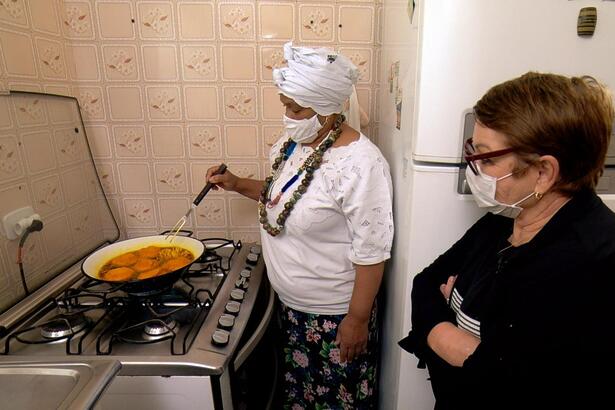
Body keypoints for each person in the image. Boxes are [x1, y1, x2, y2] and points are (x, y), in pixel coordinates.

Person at [399, 72, 615, 409]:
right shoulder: (507, 219)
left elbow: (507, 382)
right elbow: (424, 283)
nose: (474, 168)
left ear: (543, 173)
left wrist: (443, 325)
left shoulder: (590, 260)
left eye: (488, 159)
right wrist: (462, 342)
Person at [206, 42, 394, 409]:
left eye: (296, 108)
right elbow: (281, 196)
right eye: (285, 105)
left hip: (334, 317)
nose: (288, 116)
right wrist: (237, 183)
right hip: (291, 308)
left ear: (326, 110)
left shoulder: (361, 164)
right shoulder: (293, 145)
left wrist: (356, 320)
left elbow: (372, 249)